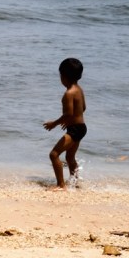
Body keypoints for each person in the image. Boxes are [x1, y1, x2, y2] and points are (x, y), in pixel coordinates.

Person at [42, 56, 87, 190]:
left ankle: (61, 185)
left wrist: (54, 124)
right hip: (81, 127)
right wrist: (70, 121)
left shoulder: (69, 93)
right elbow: (83, 108)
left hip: (75, 130)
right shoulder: (79, 89)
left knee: (54, 154)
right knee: (70, 157)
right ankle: (76, 182)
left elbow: (68, 114)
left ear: (63, 76)